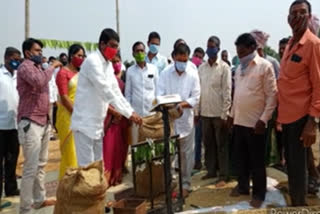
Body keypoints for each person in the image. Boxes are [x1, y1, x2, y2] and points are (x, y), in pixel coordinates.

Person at [71, 28, 142, 167]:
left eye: (117, 47)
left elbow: (116, 91)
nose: (115, 50)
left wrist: (131, 111)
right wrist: (129, 114)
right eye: (112, 46)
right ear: (102, 44)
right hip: (85, 124)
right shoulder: (92, 61)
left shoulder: (108, 65)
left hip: (98, 125)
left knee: (98, 168)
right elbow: (106, 91)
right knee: (87, 170)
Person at [277, 0, 320, 206]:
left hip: (302, 118)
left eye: (303, 13)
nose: (298, 16)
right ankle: (296, 203)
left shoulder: (313, 44)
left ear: (310, 17)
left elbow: (318, 86)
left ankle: (300, 206)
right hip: (287, 117)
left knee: (299, 167)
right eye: (294, 13)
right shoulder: (290, 45)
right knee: (292, 167)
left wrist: (312, 122)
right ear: (288, 19)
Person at [229, 33, 277, 208]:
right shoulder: (240, 68)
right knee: (241, 158)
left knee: (257, 162)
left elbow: (272, 97)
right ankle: (242, 187)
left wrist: (263, 120)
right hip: (240, 121)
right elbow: (238, 95)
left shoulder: (265, 67)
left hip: (256, 125)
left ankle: (259, 194)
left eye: (242, 52)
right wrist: (232, 115)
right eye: (238, 53)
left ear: (252, 48)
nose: (240, 56)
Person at [17, 38, 62, 214]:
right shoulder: (26, 67)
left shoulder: (38, 68)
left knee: (41, 164)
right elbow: (38, 82)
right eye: (37, 51)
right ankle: (25, 208)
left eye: (41, 51)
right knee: (30, 168)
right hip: (30, 122)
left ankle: (39, 199)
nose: (40, 54)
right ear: (28, 53)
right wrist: (52, 67)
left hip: (43, 121)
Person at [158, 43, 200, 198]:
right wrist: (171, 106)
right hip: (169, 121)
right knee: (169, 155)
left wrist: (181, 105)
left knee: (186, 155)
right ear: (173, 57)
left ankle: (186, 184)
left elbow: (196, 97)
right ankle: (171, 183)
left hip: (186, 121)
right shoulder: (165, 73)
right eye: (180, 60)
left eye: (185, 60)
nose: (182, 63)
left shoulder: (192, 73)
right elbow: (159, 94)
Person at [197, 36, 232, 187]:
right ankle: (211, 170)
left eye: (213, 47)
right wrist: (197, 112)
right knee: (208, 144)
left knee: (222, 145)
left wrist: (225, 114)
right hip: (205, 113)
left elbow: (227, 91)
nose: (210, 49)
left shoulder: (224, 68)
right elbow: (198, 91)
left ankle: (224, 174)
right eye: (208, 46)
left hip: (219, 114)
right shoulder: (201, 68)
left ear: (218, 48)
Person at [55, 44, 86, 179]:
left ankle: (78, 190)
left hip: (81, 116)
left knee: (80, 153)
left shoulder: (81, 74)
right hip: (68, 117)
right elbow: (64, 97)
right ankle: (67, 189)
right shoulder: (63, 73)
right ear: (70, 56)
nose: (81, 58)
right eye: (79, 55)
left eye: (83, 56)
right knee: (70, 153)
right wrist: (77, 114)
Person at [103, 51, 130, 186]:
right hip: (108, 119)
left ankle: (117, 176)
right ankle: (107, 179)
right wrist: (113, 112)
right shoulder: (103, 80)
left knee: (119, 148)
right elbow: (101, 99)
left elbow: (124, 99)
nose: (116, 64)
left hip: (121, 120)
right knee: (108, 149)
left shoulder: (121, 82)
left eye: (118, 61)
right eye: (113, 62)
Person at [0, 47, 21, 206]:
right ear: (6, 58)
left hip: (15, 125)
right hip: (1, 125)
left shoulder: (18, 76)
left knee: (12, 159)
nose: (16, 62)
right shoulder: (0, 75)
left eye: (18, 59)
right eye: (14, 58)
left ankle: (11, 188)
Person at [125, 41, 158, 117]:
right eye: (137, 51)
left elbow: (157, 91)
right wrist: (130, 113)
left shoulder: (153, 69)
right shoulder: (130, 71)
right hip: (136, 114)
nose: (140, 53)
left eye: (142, 51)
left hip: (151, 113)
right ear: (133, 54)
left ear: (145, 52)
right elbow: (128, 94)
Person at [191, 47, 205, 170]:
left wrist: (198, 111)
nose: (198, 59)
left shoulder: (203, 70)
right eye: (196, 56)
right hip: (187, 108)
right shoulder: (189, 68)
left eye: (200, 57)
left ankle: (198, 161)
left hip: (200, 109)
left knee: (199, 137)